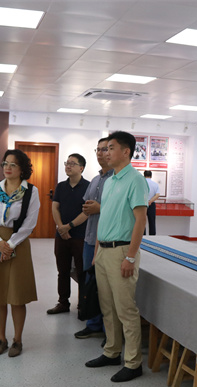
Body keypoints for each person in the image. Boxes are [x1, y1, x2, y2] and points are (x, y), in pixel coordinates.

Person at [85, 131, 148, 383]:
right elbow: (106, 217)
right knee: (108, 307)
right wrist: (97, 251)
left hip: (122, 250)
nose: (106, 152)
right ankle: (111, 351)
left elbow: (140, 221)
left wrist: (130, 257)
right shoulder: (110, 180)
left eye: (111, 148)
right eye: (104, 148)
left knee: (125, 309)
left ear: (126, 151)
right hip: (103, 251)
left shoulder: (135, 180)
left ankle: (133, 362)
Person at [0, 150, 40, 358]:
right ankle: (1, 339)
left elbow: (30, 223)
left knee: (17, 295)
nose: (7, 167)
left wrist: (10, 244)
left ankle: (17, 340)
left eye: (13, 164)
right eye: (5, 163)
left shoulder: (31, 191)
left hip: (18, 243)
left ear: (22, 169)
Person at [74, 138, 113, 340]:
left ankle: (110, 332)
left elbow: (123, 211)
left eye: (105, 149)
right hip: (90, 238)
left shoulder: (118, 181)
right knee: (90, 282)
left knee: (107, 287)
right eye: (97, 149)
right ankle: (93, 323)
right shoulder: (96, 180)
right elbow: (87, 208)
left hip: (108, 241)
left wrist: (100, 208)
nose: (100, 153)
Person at [47, 153, 89, 315]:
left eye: (72, 163)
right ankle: (63, 302)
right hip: (61, 236)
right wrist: (61, 227)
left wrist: (69, 226)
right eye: (67, 163)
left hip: (80, 235)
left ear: (81, 168)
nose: (68, 166)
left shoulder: (88, 186)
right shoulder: (61, 186)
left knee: (81, 271)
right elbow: (55, 207)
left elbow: (87, 212)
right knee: (62, 271)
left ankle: (83, 305)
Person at [144, 170, 160, 235]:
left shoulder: (141, 184)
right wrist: (150, 201)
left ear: (144, 175)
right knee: (152, 222)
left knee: (142, 221)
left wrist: (145, 201)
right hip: (152, 204)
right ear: (151, 176)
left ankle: (143, 236)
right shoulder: (155, 184)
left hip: (143, 204)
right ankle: (152, 236)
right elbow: (157, 195)